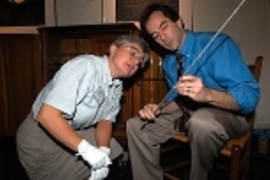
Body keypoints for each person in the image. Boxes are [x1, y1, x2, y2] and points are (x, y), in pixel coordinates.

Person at [126, 3, 260, 180]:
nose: (163, 38)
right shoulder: (168, 62)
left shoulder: (218, 44)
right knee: (135, 125)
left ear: (180, 22)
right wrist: (158, 109)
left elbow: (251, 98)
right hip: (187, 113)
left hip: (228, 115)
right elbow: (176, 101)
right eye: (156, 36)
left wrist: (207, 95)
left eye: (164, 26)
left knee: (201, 122)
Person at [16, 35, 150, 180]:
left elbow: (105, 122)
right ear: (113, 49)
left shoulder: (116, 86)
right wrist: (87, 151)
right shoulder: (85, 66)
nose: (136, 61)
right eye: (133, 52)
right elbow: (47, 115)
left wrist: (102, 154)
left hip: (71, 133)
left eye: (140, 61)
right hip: (41, 136)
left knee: (111, 147)